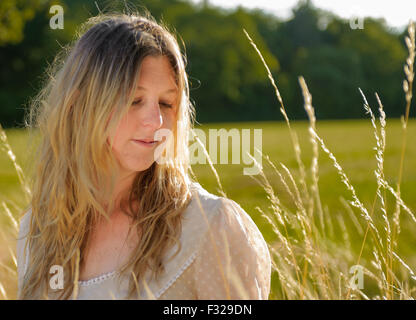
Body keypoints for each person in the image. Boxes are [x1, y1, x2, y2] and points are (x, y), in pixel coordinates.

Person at [16, 11, 271, 300]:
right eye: (134, 100)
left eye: (166, 102)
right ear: (80, 104)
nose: (156, 121)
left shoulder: (211, 227)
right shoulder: (37, 232)